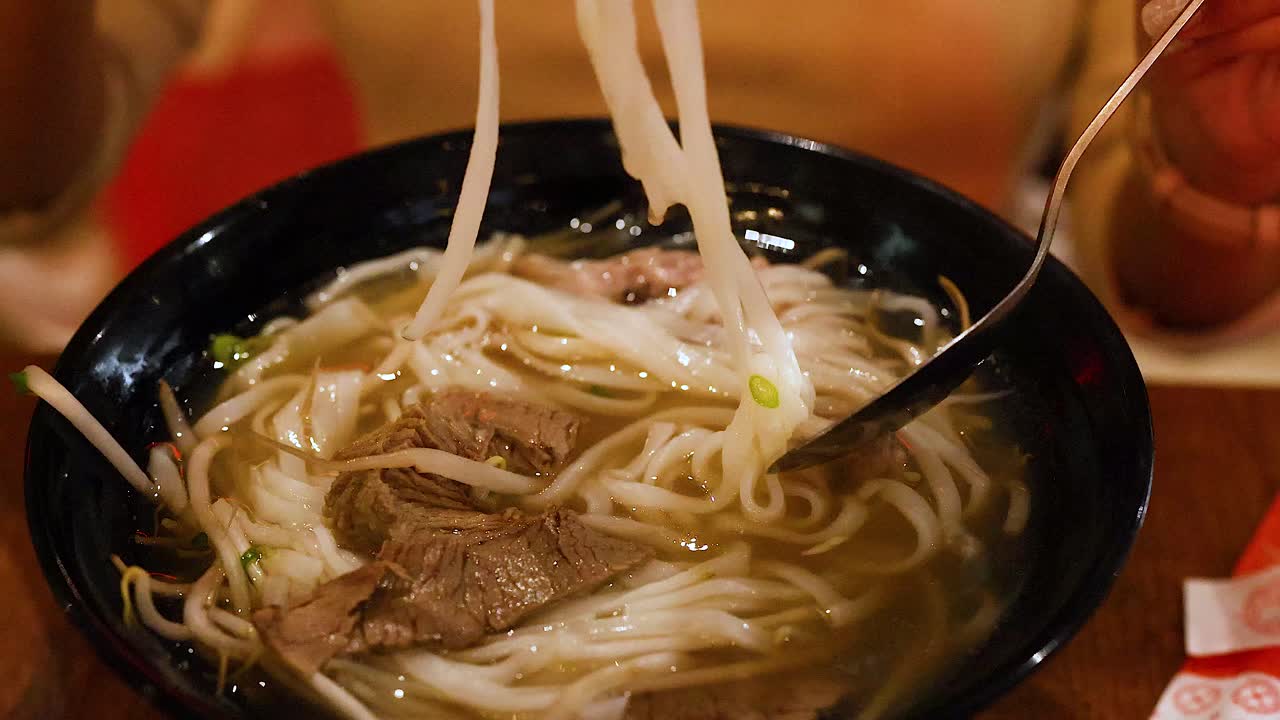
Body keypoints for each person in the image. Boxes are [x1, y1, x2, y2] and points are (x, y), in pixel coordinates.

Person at [0, 0, 1275, 353]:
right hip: (425, 329)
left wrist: (1219, 174)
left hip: (916, 351)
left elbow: (1139, 260)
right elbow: (31, 181)